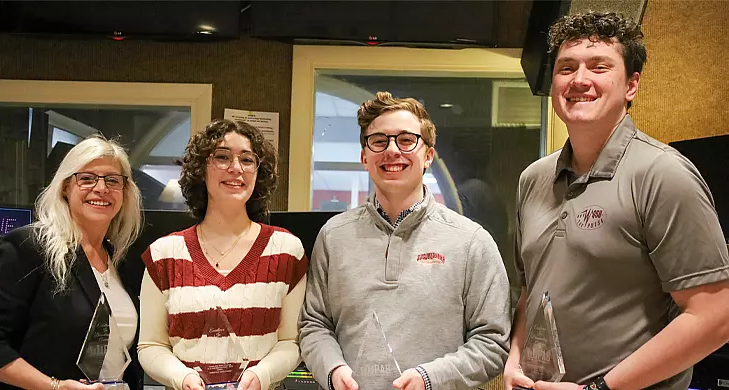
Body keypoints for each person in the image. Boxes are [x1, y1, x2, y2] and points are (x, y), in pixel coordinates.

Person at [505, 11, 729, 390]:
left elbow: (716, 317)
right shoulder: (533, 179)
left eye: (599, 66)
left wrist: (601, 389)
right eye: (566, 67)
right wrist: (515, 361)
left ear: (631, 85)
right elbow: (532, 289)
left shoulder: (663, 174)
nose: (579, 79)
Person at [299, 91, 511, 390]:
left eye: (406, 140)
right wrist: (332, 371)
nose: (392, 151)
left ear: (428, 156)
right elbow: (314, 325)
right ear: (364, 156)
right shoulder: (333, 236)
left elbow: (493, 343)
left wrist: (430, 378)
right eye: (379, 141)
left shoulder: (472, 242)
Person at [0, 136, 145, 390]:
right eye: (87, 178)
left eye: (113, 180)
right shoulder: (28, 247)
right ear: (65, 188)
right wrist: (53, 386)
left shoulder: (121, 262)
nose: (101, 188)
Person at [138, 119, 308, 390]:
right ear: (200, 170)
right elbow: (151, 346)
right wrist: (183, 378)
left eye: (248, 159)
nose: (236, 168)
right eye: (222, 157)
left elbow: (291, 342)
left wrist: (261, 375)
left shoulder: (286, 250)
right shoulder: (164, 255)